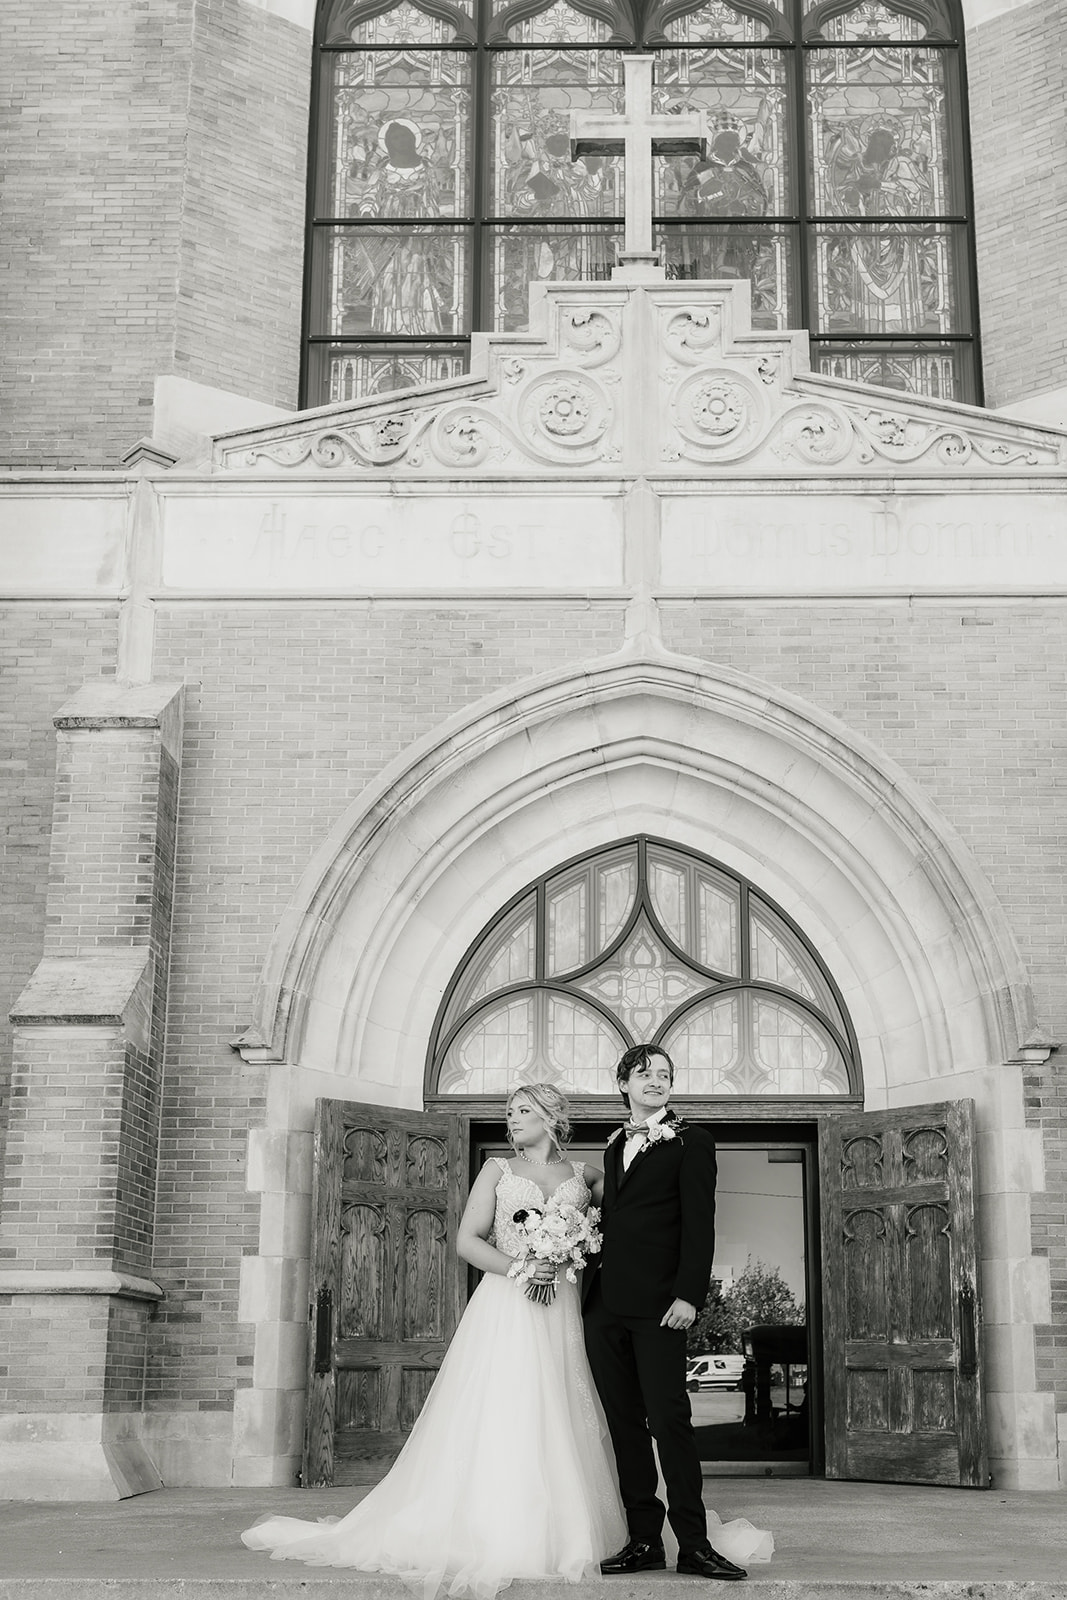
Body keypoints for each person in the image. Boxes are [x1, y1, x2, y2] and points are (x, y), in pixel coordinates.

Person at [241, 1083, 626, 1598]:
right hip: (509, 1302)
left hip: (559, 1306)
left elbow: (608, 1234)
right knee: (505, 1405)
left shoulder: (589, 1177)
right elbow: (467, 1241)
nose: (512, 1120)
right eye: (509, 1112)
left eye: (524, 1111)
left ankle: (569, 1526)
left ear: (552, 1117)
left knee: (558, 1401)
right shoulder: (497, 1171)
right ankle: (494, 1528)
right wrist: (524, 1266)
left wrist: (567, 1257)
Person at [583, 1044, 773, 1580]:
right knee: (623, 1424)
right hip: (604, 1306)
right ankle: (645, 1540)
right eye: (645, 1074)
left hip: (661, 1307)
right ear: (623, 1083)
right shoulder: (616, 1142)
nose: (656, 1081)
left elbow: (699, 1223)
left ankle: (693, 1543)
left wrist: (689, 1295)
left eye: (664, 1075)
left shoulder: (693, 1141)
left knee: (670, 1422)